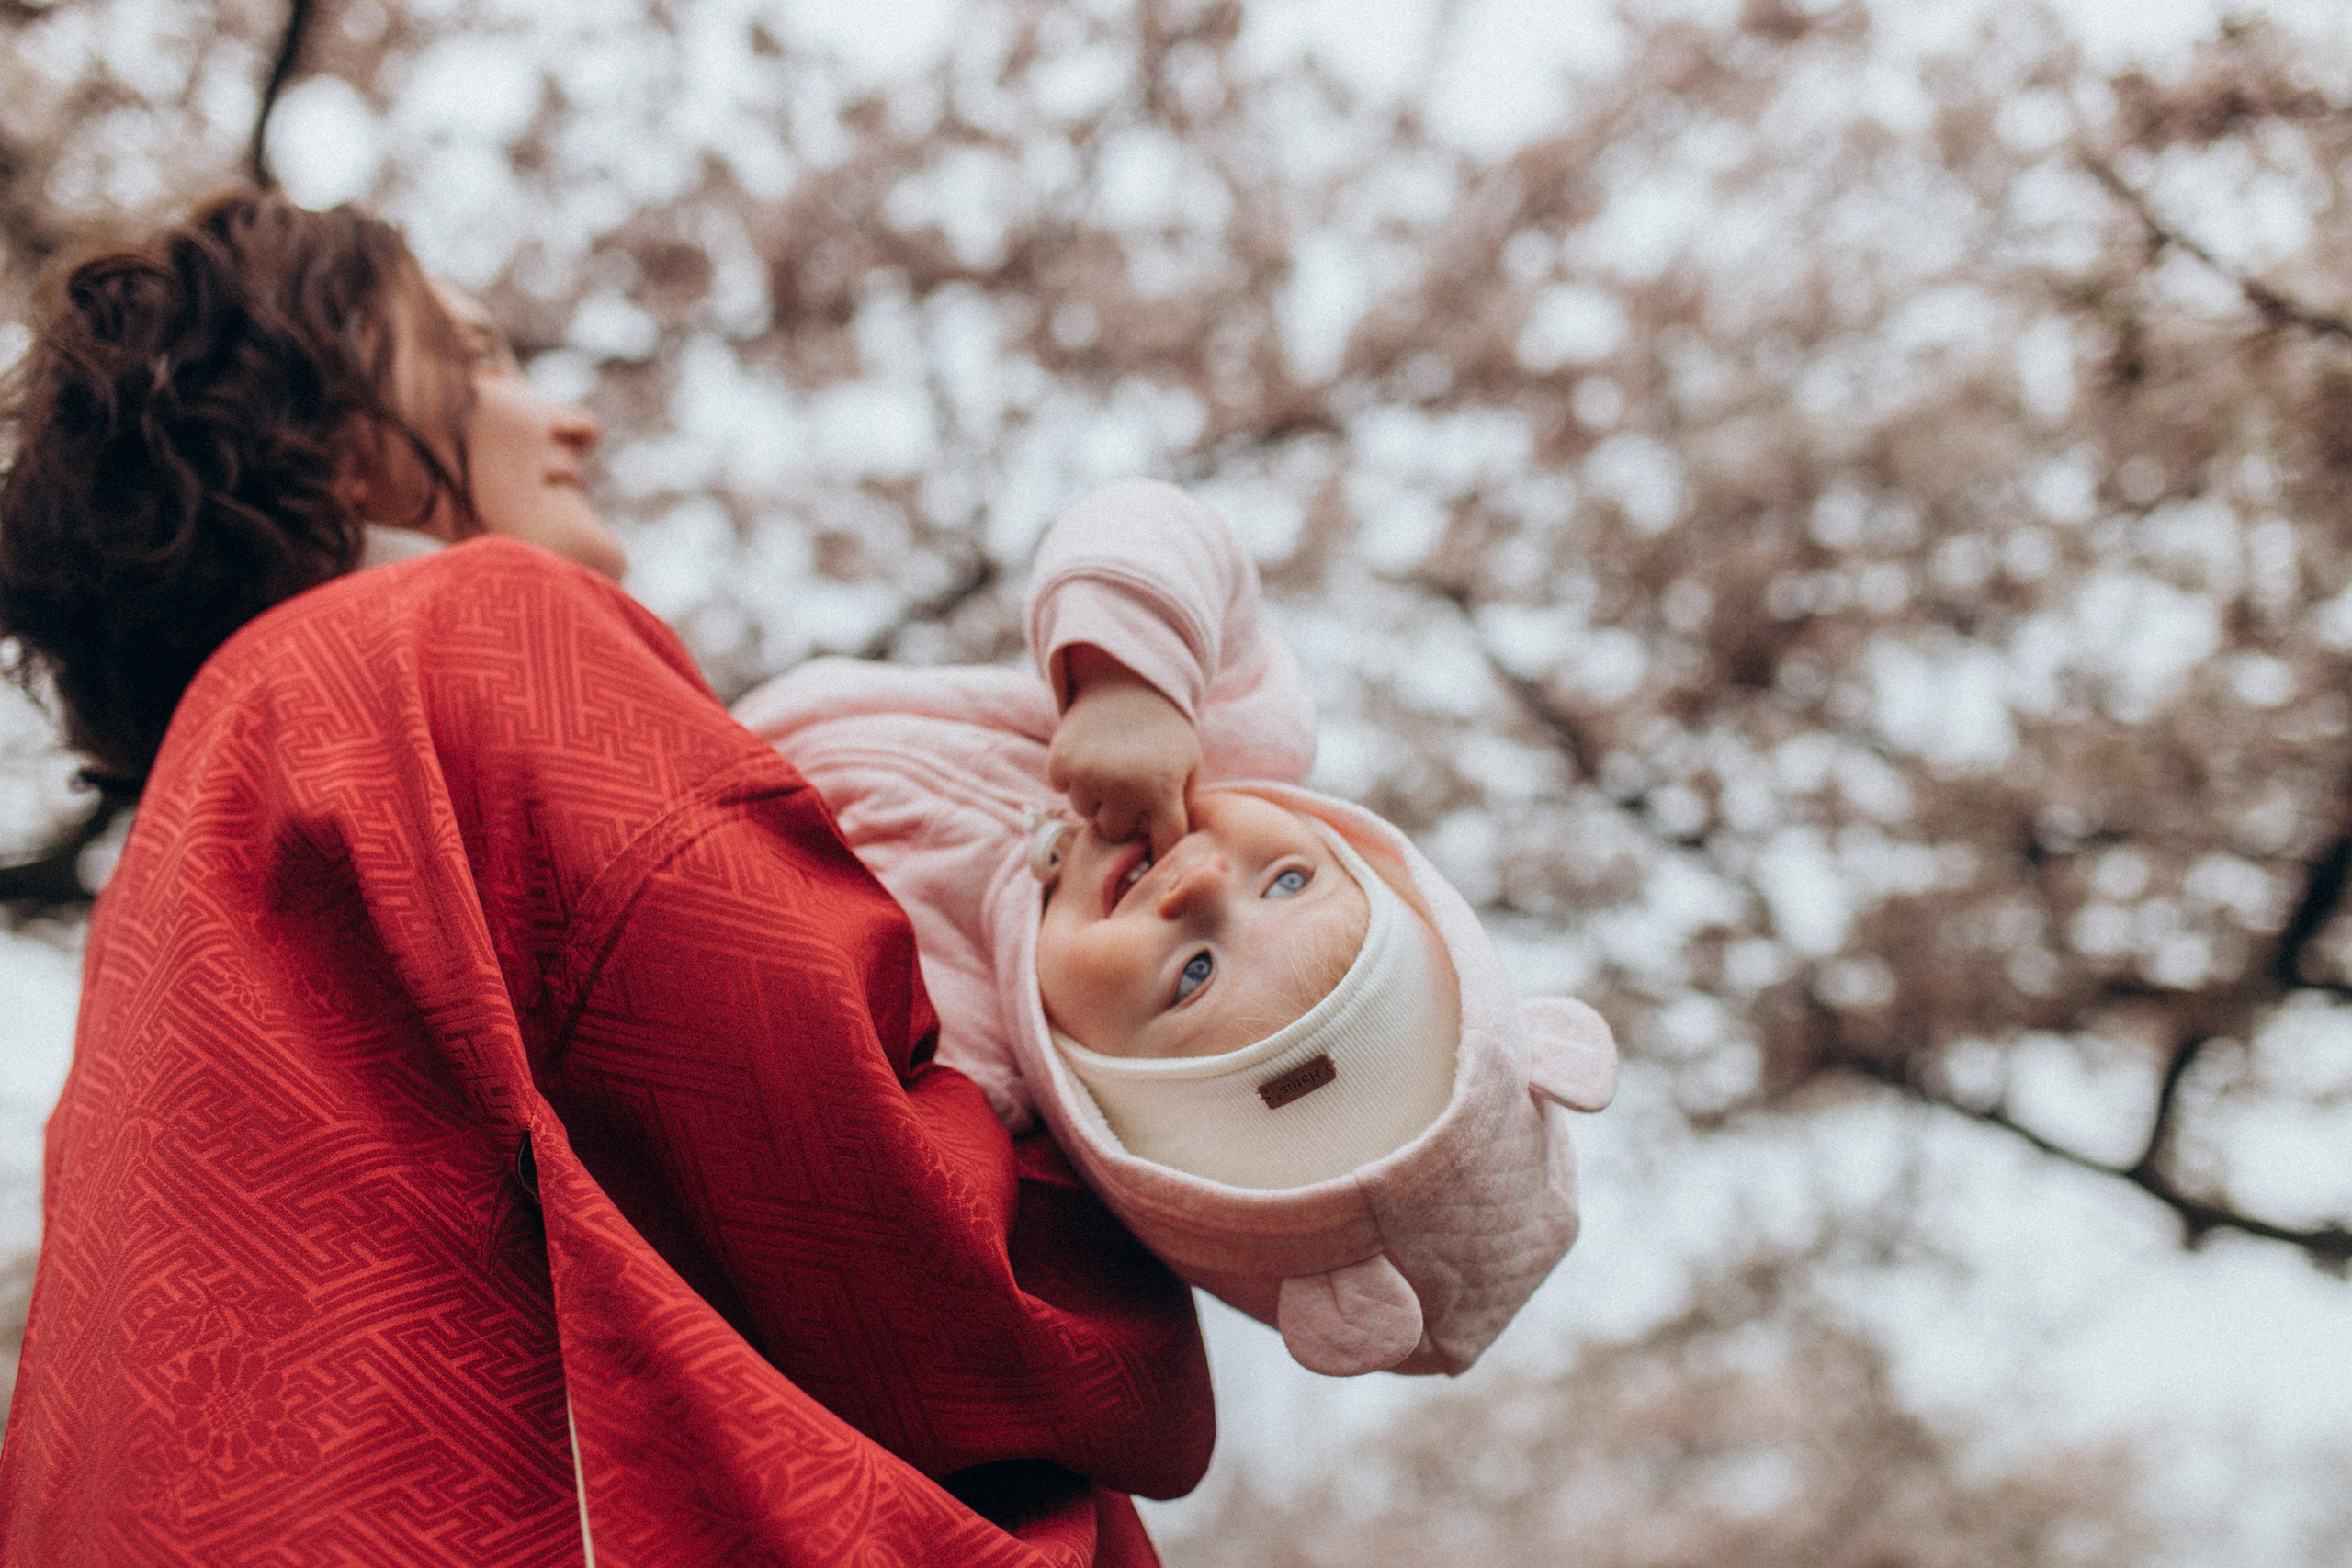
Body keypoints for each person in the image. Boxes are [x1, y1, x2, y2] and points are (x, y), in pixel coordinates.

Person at [0, 191, 1208, 1565]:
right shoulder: (465, 627)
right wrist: (1124, 1161)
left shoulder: (165, 893)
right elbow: (873, 1203)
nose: (568, 419)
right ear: (327, 440)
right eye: (479, 357)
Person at [734, 481, 1620, 1380]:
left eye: (1192, 977)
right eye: (1287, 879)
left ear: (1093, 1098)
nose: (1200, 882)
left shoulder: (956, 1040)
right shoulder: (1221, 737)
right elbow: (1159, 523)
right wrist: (1130, 680)